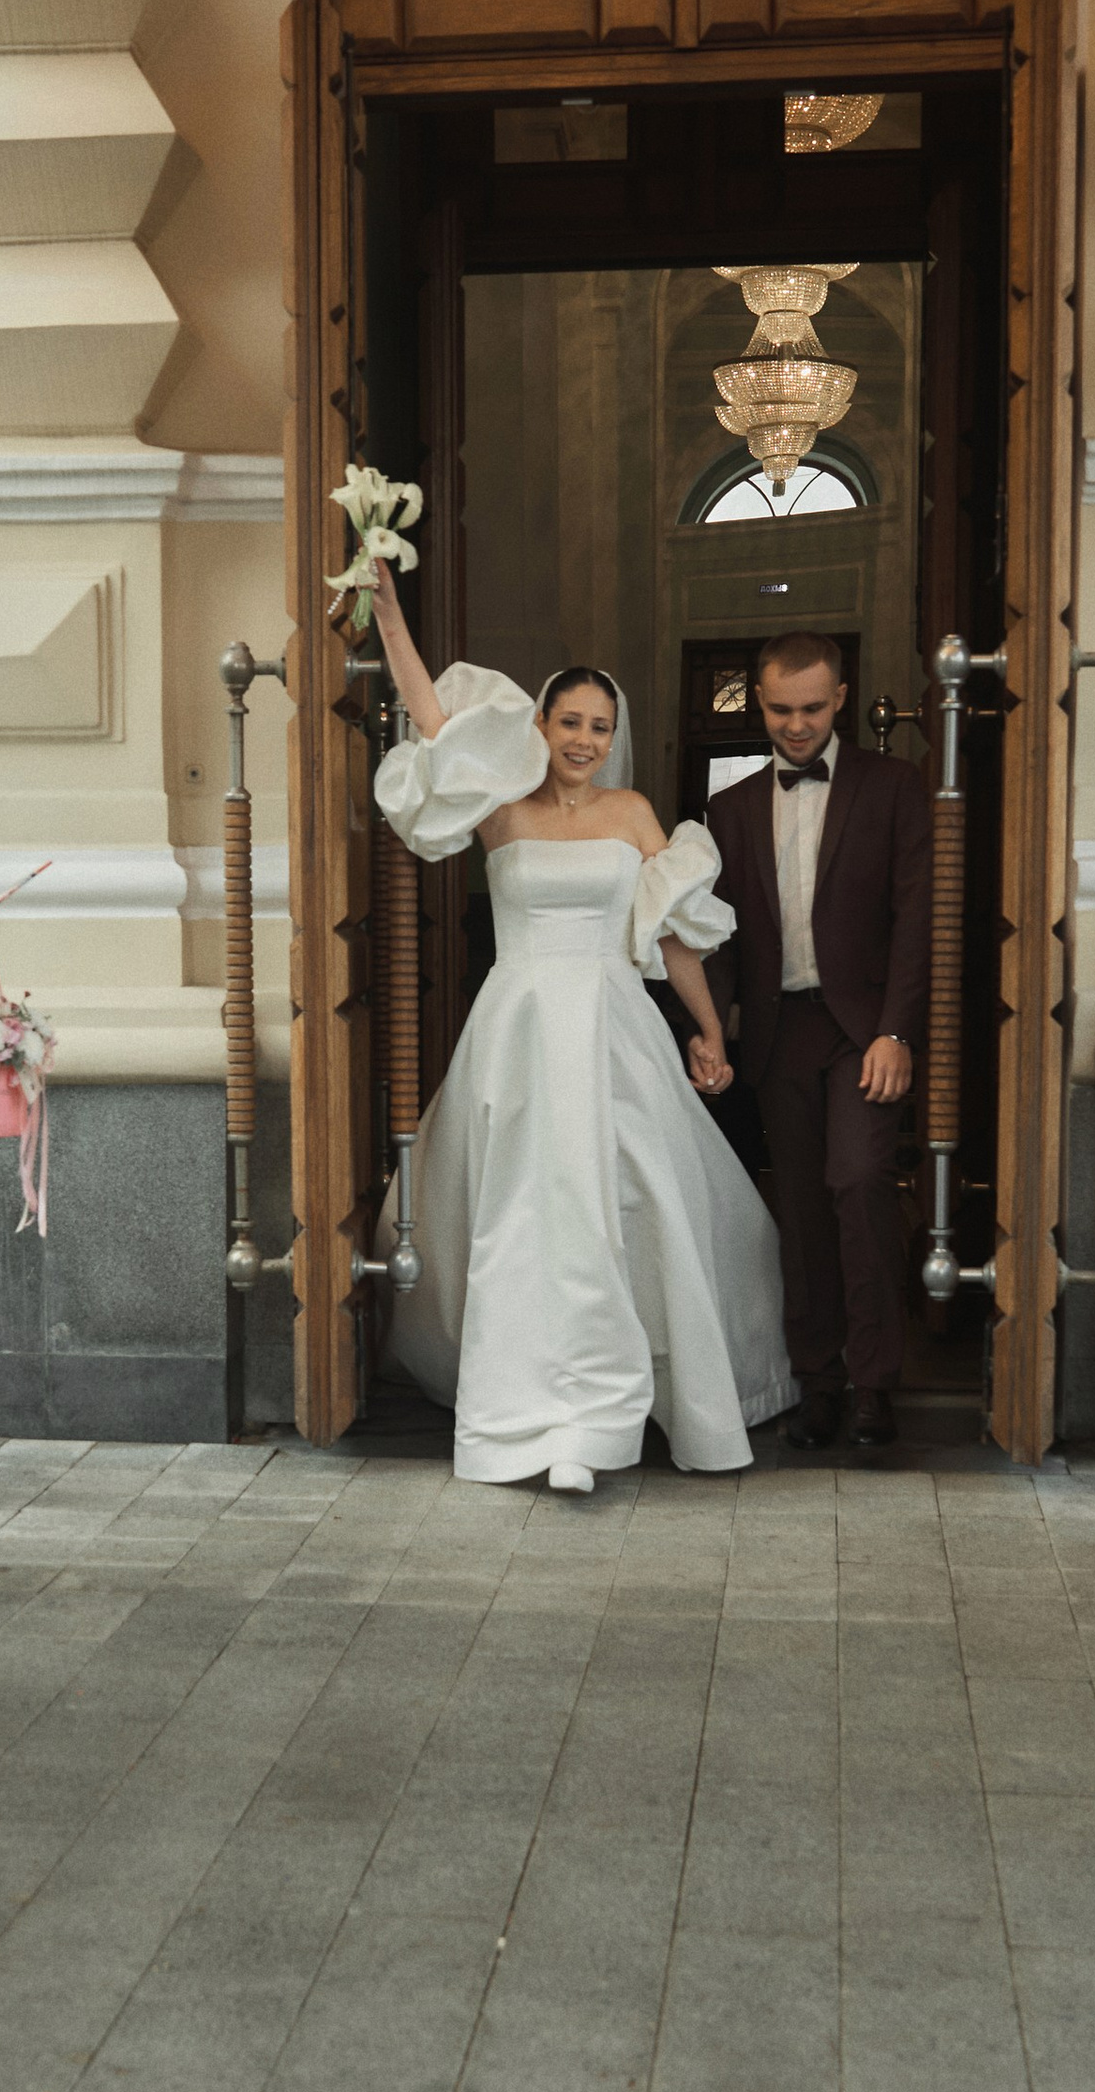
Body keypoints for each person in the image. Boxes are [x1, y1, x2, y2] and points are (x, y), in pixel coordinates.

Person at [367, 565, 792, 1490]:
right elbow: (435, 723)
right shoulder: (502, 810)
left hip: (610, 1027)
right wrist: (393, 615)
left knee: (623, 1213)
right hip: (518, 1026)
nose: (586, 741)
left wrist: (709, 1033)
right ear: (541, 727)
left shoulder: (635, 816)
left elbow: (672, 938)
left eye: (601, 727)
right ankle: (536, 1419)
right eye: (571, 723)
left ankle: (604, 1419)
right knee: (524, 1222)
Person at [702, 631, 931, 1450]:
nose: (794, 726)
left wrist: (898, 1030)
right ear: (758, 704)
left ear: (840, 699)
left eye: (810, 708)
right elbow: (719, 934)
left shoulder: (895, 787)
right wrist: (712, 1028)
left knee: (859, 1182)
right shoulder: (727, 809)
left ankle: (874, 1383)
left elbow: (917, 923)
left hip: (863, 1028)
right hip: (777, 1030)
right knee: (798, 1207)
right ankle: (818, 1381)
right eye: (778, 709)